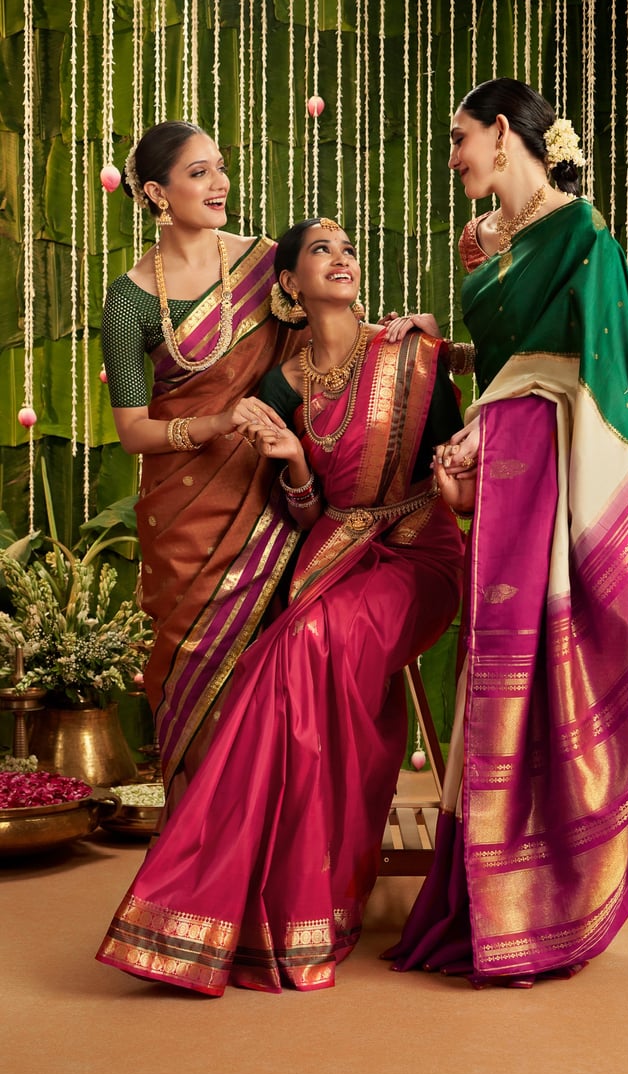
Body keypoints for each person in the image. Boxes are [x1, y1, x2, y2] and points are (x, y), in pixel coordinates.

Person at [383, 78, 628, 987]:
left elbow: (600, 375)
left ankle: (544, 908)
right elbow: (506, 359)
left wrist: (496, 417)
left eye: (460, 138)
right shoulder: (482, 239)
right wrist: (440, 348)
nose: (454, 156)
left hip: (559, 472)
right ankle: (485, 898)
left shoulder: (585, 236)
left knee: (547, 666)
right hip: (505, 470)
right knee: (494, 667)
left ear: (502, 133)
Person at [96, 218, 466, 994]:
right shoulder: (282, 386)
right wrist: (296, 463)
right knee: (275, 658)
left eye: (348, 248)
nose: (342, 258)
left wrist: (459, 485)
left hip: (419, 556)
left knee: (306, 643)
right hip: (334, 558)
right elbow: (304, 511)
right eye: (322, 251)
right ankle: (242, 905)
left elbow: (463, 471)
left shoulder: (412, 354)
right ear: (290, 285)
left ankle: (286, 897)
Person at [100, 121, 307, 819]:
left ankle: (266, 843)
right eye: (198, 173)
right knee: (188, 663)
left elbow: (330, 344)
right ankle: (196, 844)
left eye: (219, 167)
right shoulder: (130, 299)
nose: (220, 183)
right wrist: (218, 423)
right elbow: (133, 431)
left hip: (269, 501)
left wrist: (409, 336)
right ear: (157, 193)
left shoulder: (267, 263)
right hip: (183, 515)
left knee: (269, 668)